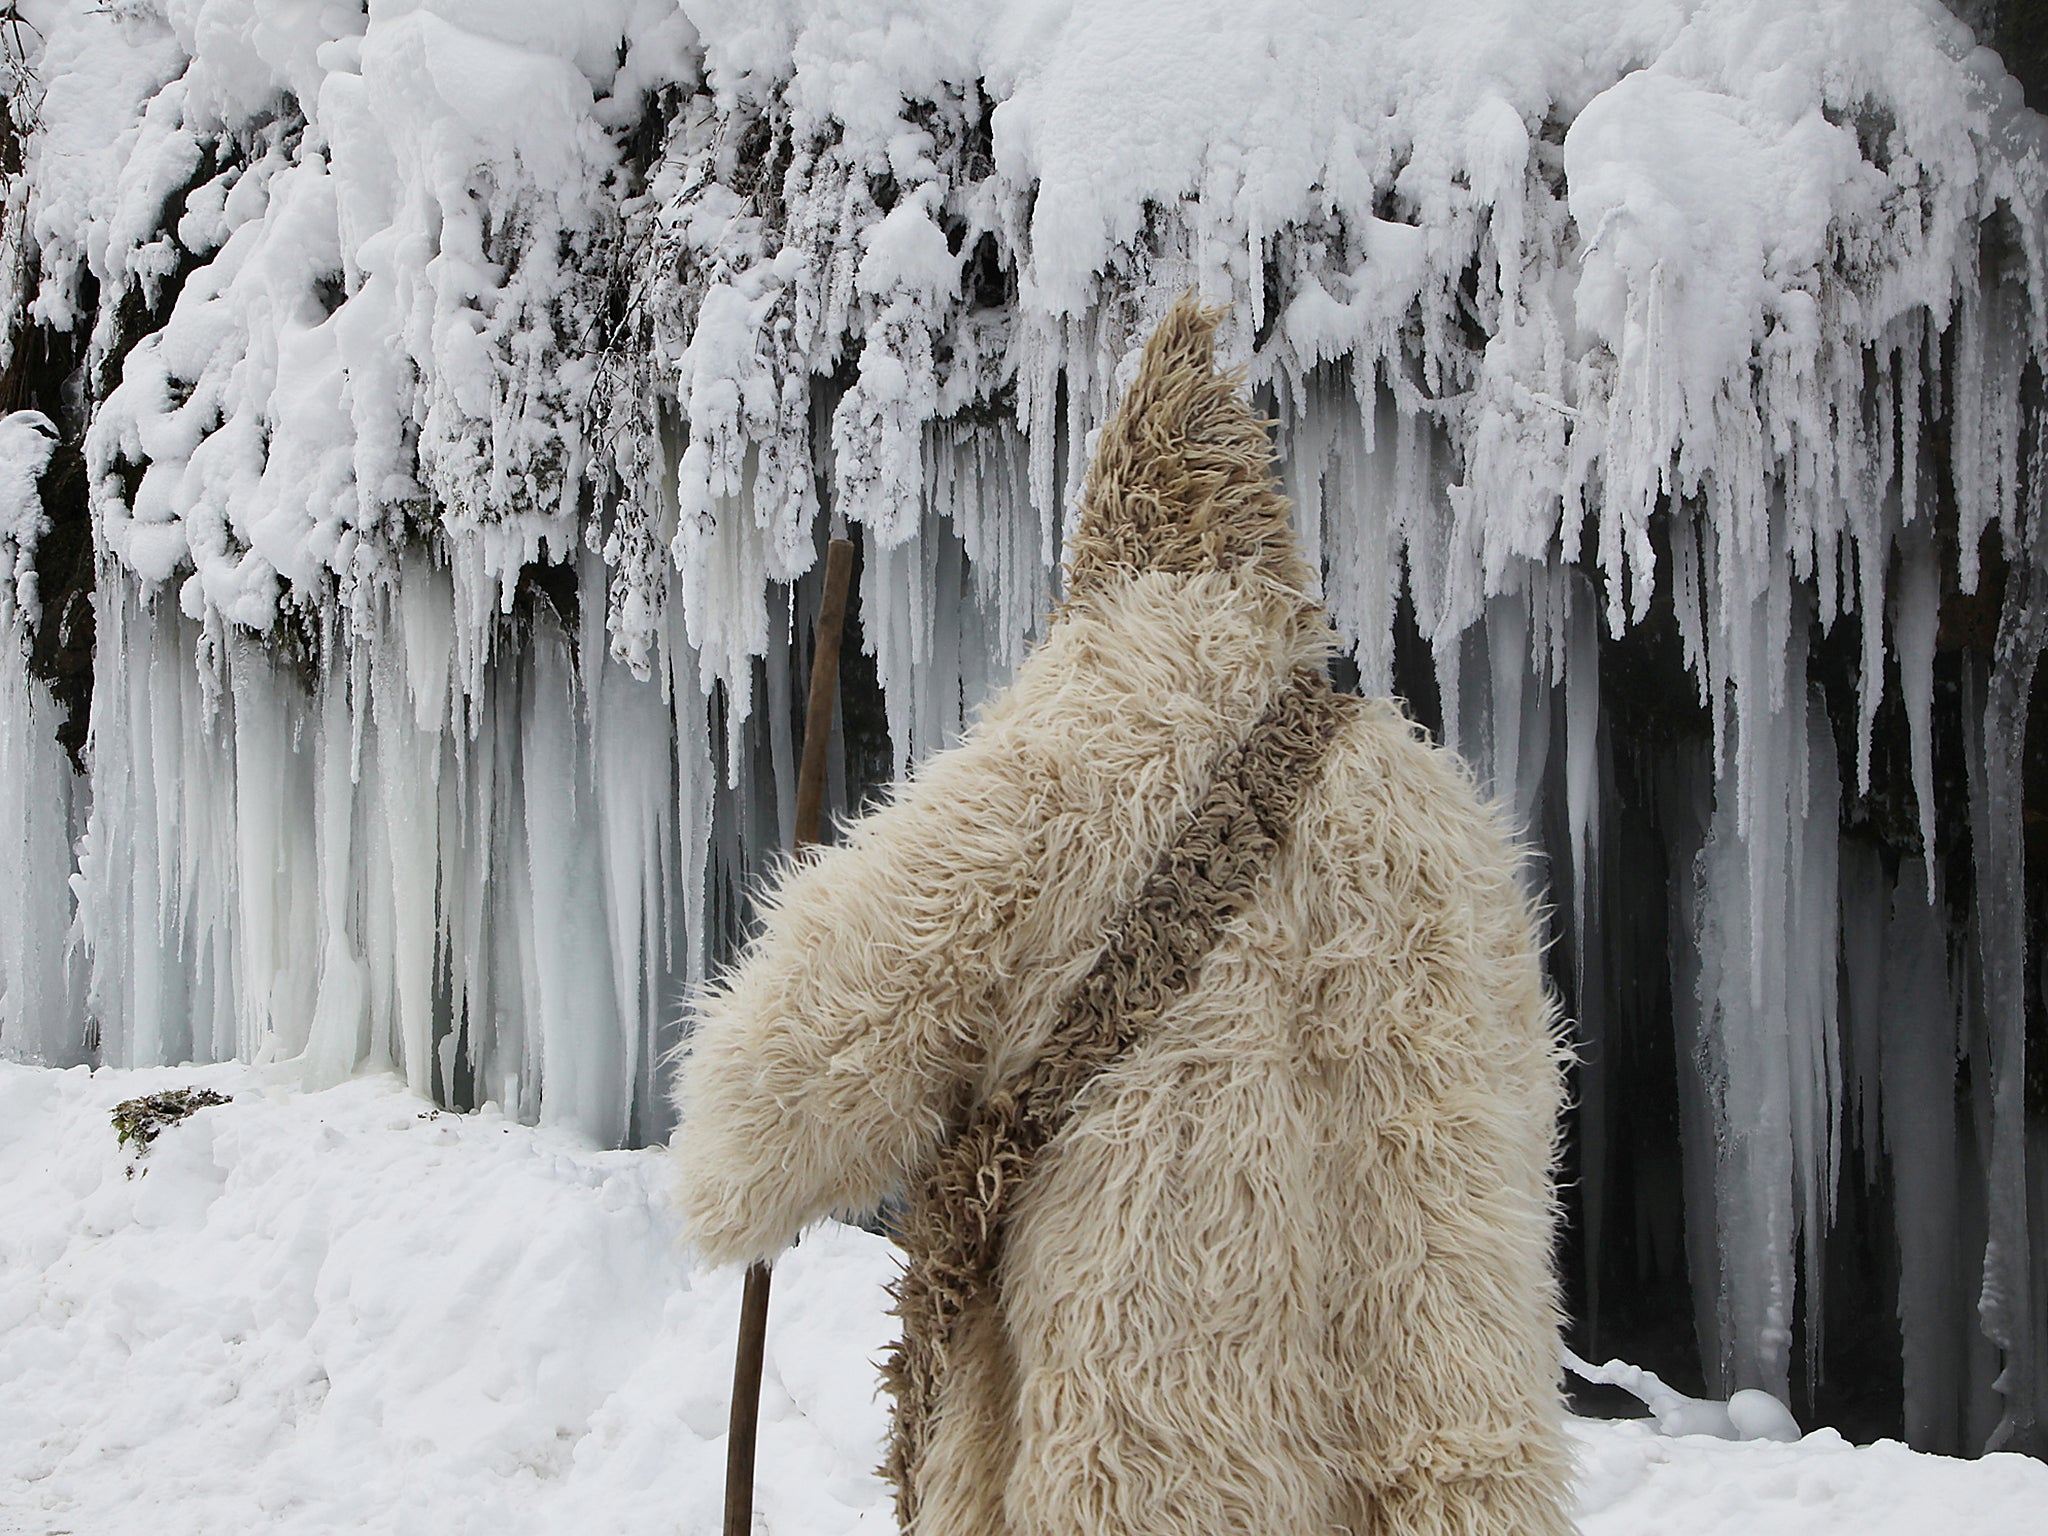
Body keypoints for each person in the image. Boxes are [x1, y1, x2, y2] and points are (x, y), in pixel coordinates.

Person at [671, 294, 1572, 1536]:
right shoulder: (1434, 816)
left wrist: (738, 1164)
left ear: (1107, 543)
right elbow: (1521, 1118)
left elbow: (779, 1100)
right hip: (1419, 1455)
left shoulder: (1051, 760)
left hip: (1145, 1450)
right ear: (1269, 567)